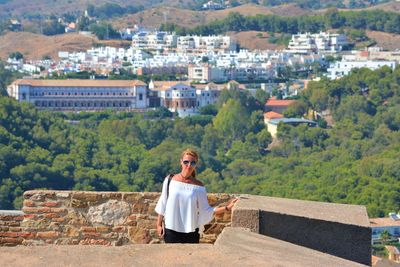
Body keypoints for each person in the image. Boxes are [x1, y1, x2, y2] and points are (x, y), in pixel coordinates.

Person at [155, 148, 239, 243]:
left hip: (191, 232)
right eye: (186, 162)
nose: (189, 165)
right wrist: (158, 224)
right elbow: (163, 202)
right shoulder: (169, 180)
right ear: (181, 162)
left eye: (193, 163)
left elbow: (206, 210)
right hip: (170, 229)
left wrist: (227, 208)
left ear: (196, 165)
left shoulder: (198, 186)